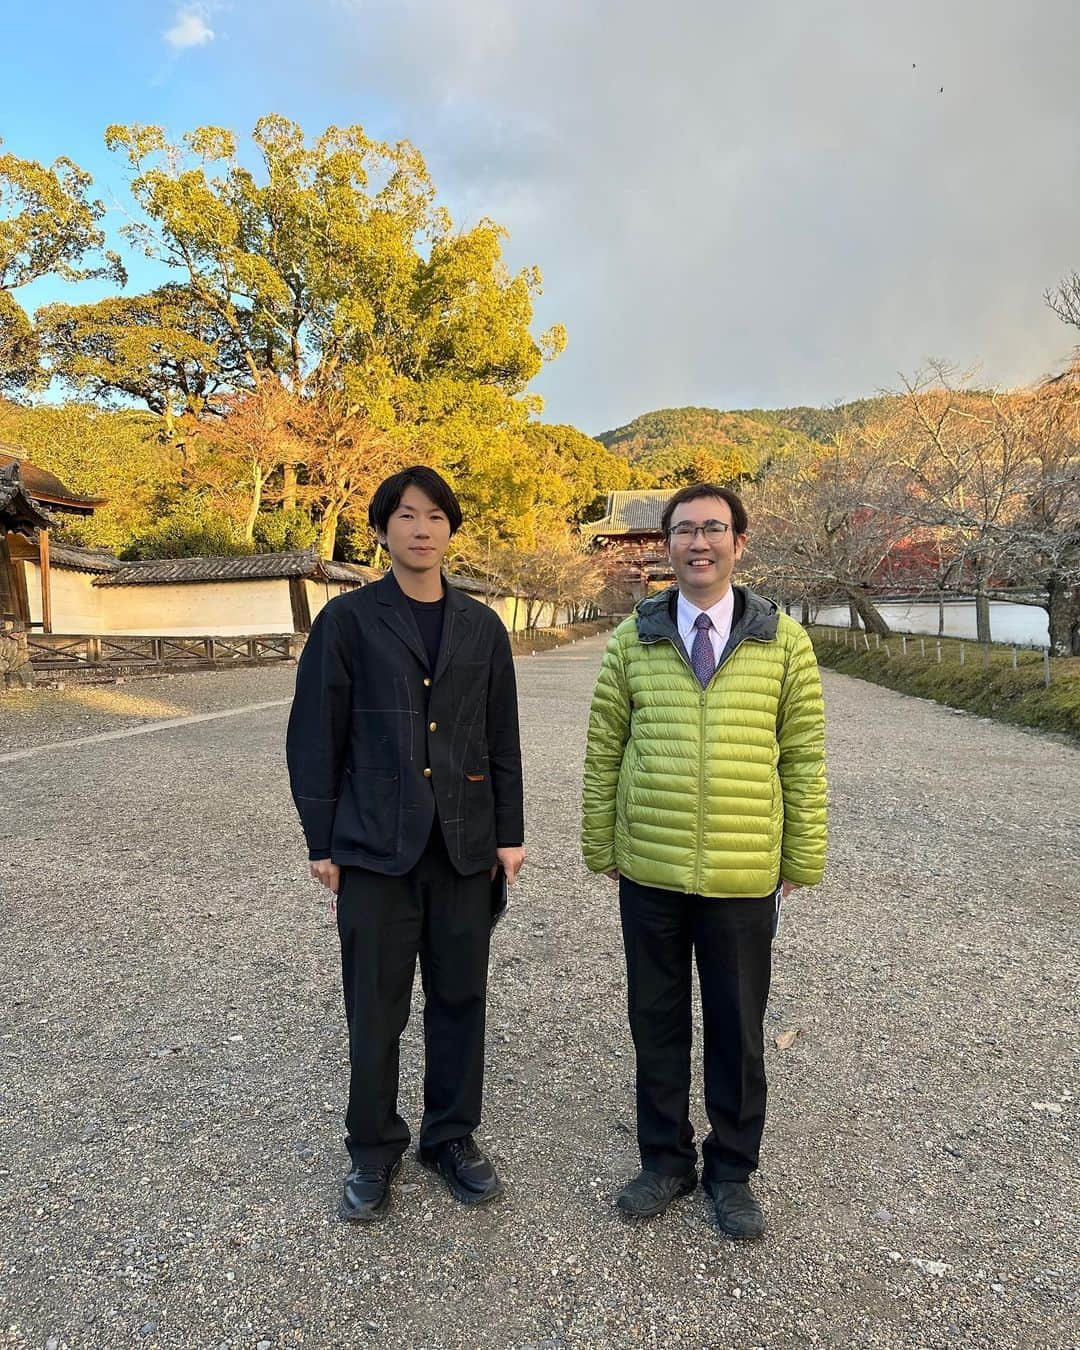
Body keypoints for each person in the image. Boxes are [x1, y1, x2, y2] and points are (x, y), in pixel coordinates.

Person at [581, 482, 826, 1239]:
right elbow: (604, 746)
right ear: (665, 546)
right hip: (650, 867)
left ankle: (731, 1171)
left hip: (743, 870)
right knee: (655, 1022)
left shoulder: (783, 641)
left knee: (736, 1027)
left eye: (713, 529)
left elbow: (804, 754)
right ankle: (664, 1161)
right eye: (684, 530)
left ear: (738, 544)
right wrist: (602, 844)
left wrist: (802, 856)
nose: (698, 543)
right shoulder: (637, 636)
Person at [287, 466, 526, 1222]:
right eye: (405, 515)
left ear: (451, 530)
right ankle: (372, 1149)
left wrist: (509, 834)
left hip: (462, 846)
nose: (421, 529)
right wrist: (321, 841)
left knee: (460, 999)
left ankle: (451, 1137)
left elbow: (502, 736)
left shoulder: (482, 626)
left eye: (434, 517)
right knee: (375, 1006)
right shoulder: (349, 622)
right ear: (383, 529)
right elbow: (314, 737)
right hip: (373, 847)